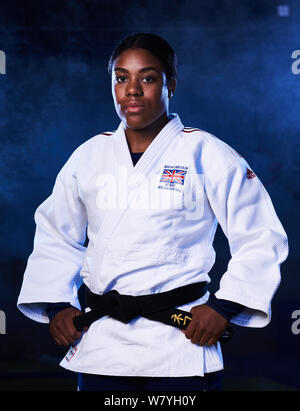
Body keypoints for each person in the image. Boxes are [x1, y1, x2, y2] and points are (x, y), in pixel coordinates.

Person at [17, 33, 288, 391]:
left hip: (180, 338)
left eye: (147, 78)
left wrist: (223, 308)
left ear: (170, 84)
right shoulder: (89, 156)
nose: (132, 90)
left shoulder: (205, 152)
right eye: (121, 78)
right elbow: (56, 234)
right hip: (103, 342)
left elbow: (260, 233)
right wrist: (56, 305)